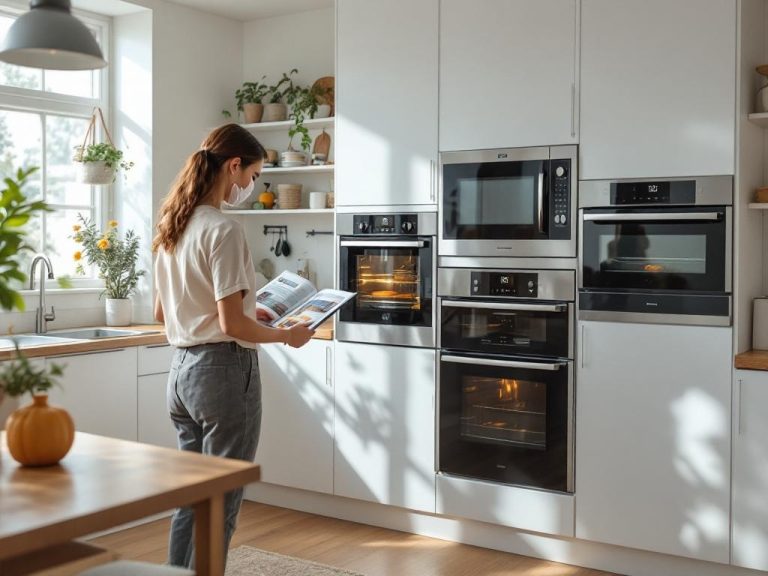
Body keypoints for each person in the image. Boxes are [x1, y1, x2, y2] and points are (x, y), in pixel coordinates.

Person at [151, 123, 314, 569]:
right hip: (223, 373)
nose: (250, 186)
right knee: (222, 500)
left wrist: (250, 313)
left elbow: (163, 315)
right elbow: (229, 324)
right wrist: (288, 334)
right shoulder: (223, 229)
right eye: (253, 176)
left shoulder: (172, 225)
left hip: (181, 373)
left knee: (194, 495)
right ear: (233, 165)